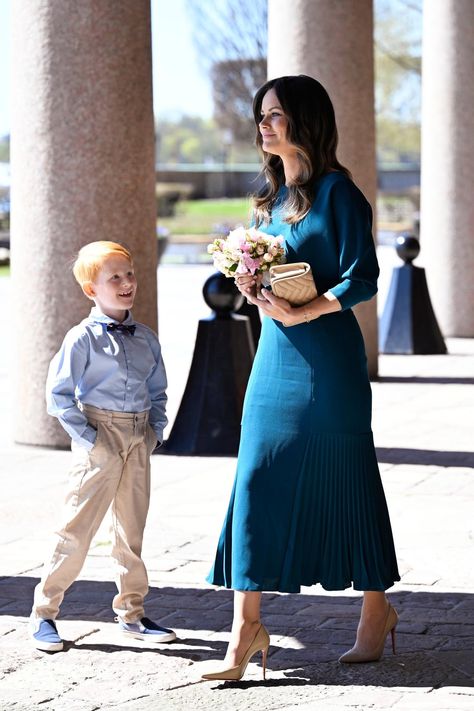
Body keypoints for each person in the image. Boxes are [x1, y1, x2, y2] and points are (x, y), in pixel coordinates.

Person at [202, 75, 399, 682]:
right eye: (261, 116)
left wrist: (307, 309)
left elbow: (361, 278)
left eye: (276, 115)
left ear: (306, 120)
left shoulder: (341, 194)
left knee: (347, 476)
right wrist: (250, 286)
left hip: (330, 362)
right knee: (256, 476)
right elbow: (267, 282)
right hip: (276, 358)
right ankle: (244, 630)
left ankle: (375, 611)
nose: (265, 126)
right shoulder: (265, 203)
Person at [30, 241, 176, 652]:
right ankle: (43, 613)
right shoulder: (82, 339)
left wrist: (155, 432)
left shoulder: (146, 338)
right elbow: (58, 396)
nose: (127, 282)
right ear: (92, 289)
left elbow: (158, 389)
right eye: (114, 277)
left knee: (131, 530)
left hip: (138, 434)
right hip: (100, 434)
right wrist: (92, 440)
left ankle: (132, 613)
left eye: (129, 274)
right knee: (76, 530)